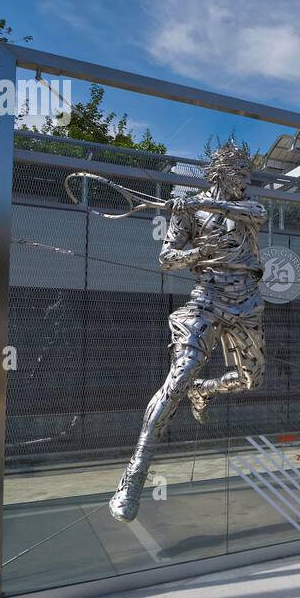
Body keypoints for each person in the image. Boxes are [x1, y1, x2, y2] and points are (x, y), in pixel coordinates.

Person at [109, 140, 267, 523]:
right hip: (206, 298)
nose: (246, 182)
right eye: (239, 175)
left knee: (251, 381)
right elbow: (167, 259)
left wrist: (199, 205)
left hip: (246, 302)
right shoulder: (189, 213)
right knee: (179, 376)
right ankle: (133, 477)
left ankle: (205, 390)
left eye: (248, 175)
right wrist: (200, 252)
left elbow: (252, 213)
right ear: (220, 173)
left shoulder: (247, 207)